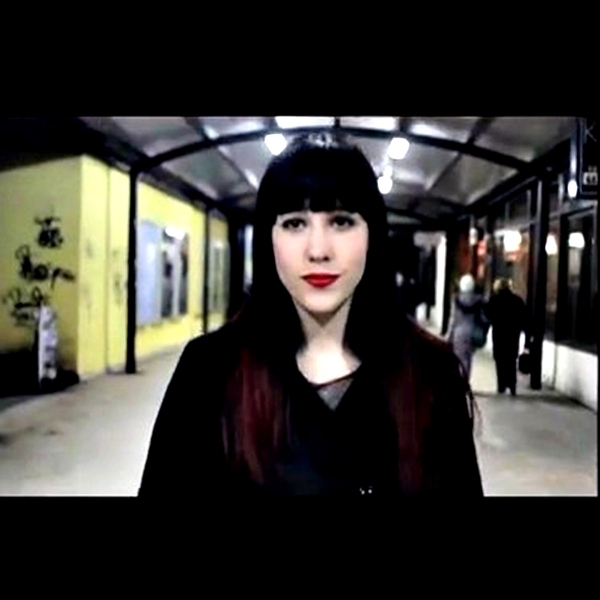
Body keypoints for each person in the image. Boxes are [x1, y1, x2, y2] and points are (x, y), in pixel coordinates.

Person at [138, 134, 483, 497]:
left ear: (372, 235)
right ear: (268, 239)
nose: (318, 250)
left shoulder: (431, 372)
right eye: (294, 223)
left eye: (341, 222)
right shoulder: (209, 371)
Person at [485, 278, 527, 395]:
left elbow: (487, 314)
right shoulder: (517, 300)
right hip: (513, 334)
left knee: (500, 360)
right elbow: (524, 316)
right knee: (511, 360)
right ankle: (512, 384)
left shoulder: (494, 300)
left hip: (499, 334)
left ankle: (501, 385)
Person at [447, 274, 487, 382]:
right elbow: (484, 318)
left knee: (459, 358)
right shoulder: (479, 300)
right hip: (472, 332)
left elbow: (453, 319)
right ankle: (466, 379)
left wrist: (449, 335)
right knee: (468, 358)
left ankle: (460, 380)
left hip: (459, 332)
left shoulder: (456, 300)